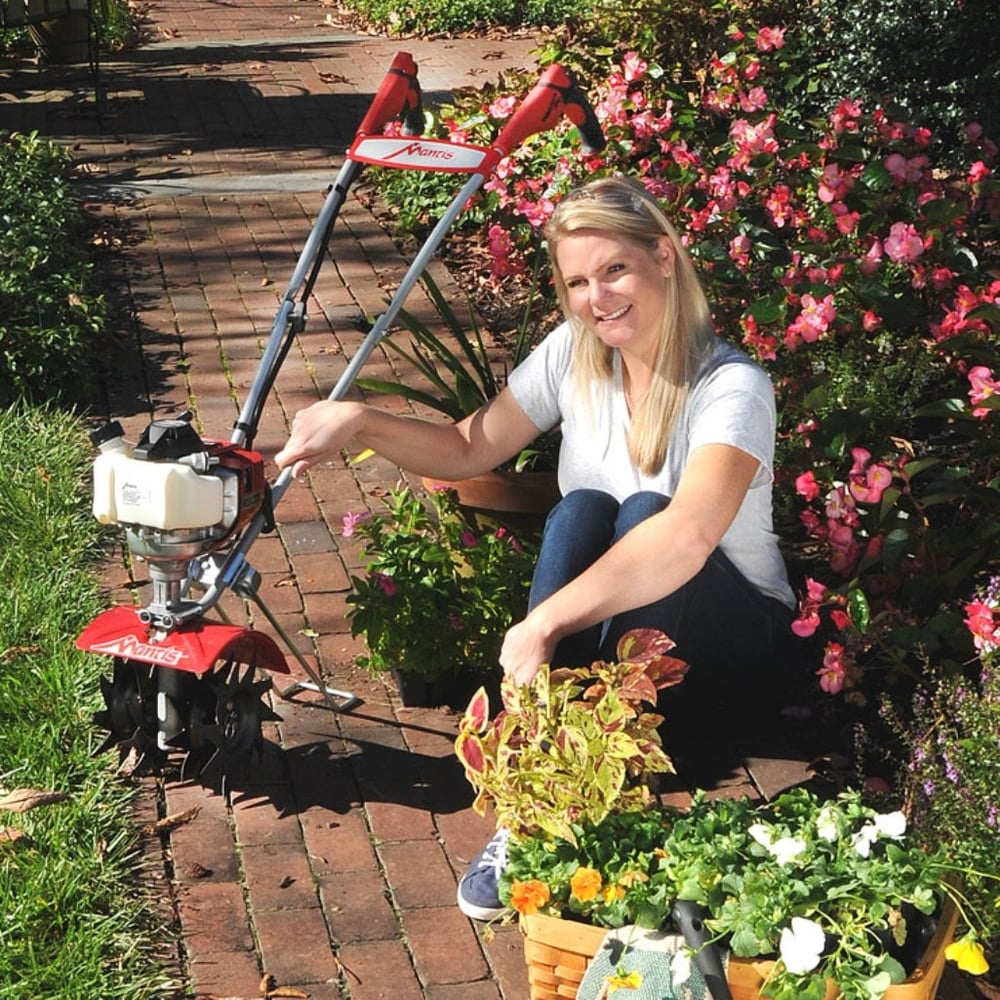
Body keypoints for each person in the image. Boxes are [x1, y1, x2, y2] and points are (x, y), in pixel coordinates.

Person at [274, 174, 798, 921]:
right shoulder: (575, 353)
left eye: (614, 269)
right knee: (583, 509)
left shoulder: (732, 387)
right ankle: (540, 799)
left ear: (664, 257)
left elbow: (686, 536)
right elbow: (466, 449)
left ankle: (584, 795)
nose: (597, 298)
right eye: (578, 282)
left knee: (647, 510)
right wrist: (359, 420)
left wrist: (543, 623)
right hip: (632, 638)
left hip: (735, 648)